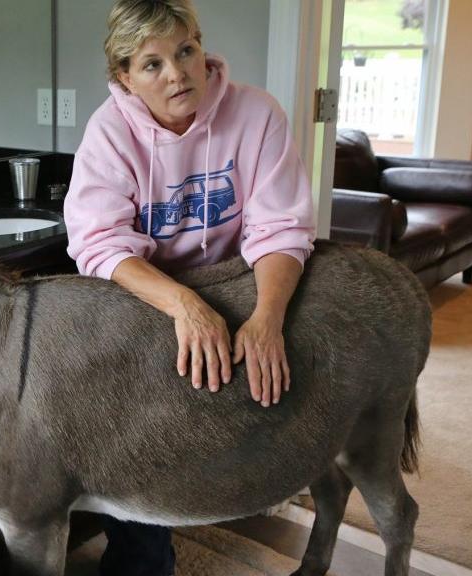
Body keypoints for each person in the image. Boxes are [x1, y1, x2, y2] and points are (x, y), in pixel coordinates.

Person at [63, 1, 316, 574]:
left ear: (202, 49)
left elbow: (282, 227)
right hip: (149, 289)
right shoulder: (109, 131)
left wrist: (268, 316)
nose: (177, 73)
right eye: (151, 64)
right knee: (133, 424)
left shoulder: (257, 114)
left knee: (273, 367)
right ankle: (141, 557)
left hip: (235, 278)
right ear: (124, 77)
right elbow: (100, 242)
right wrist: (184, 304)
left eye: (185, 51)